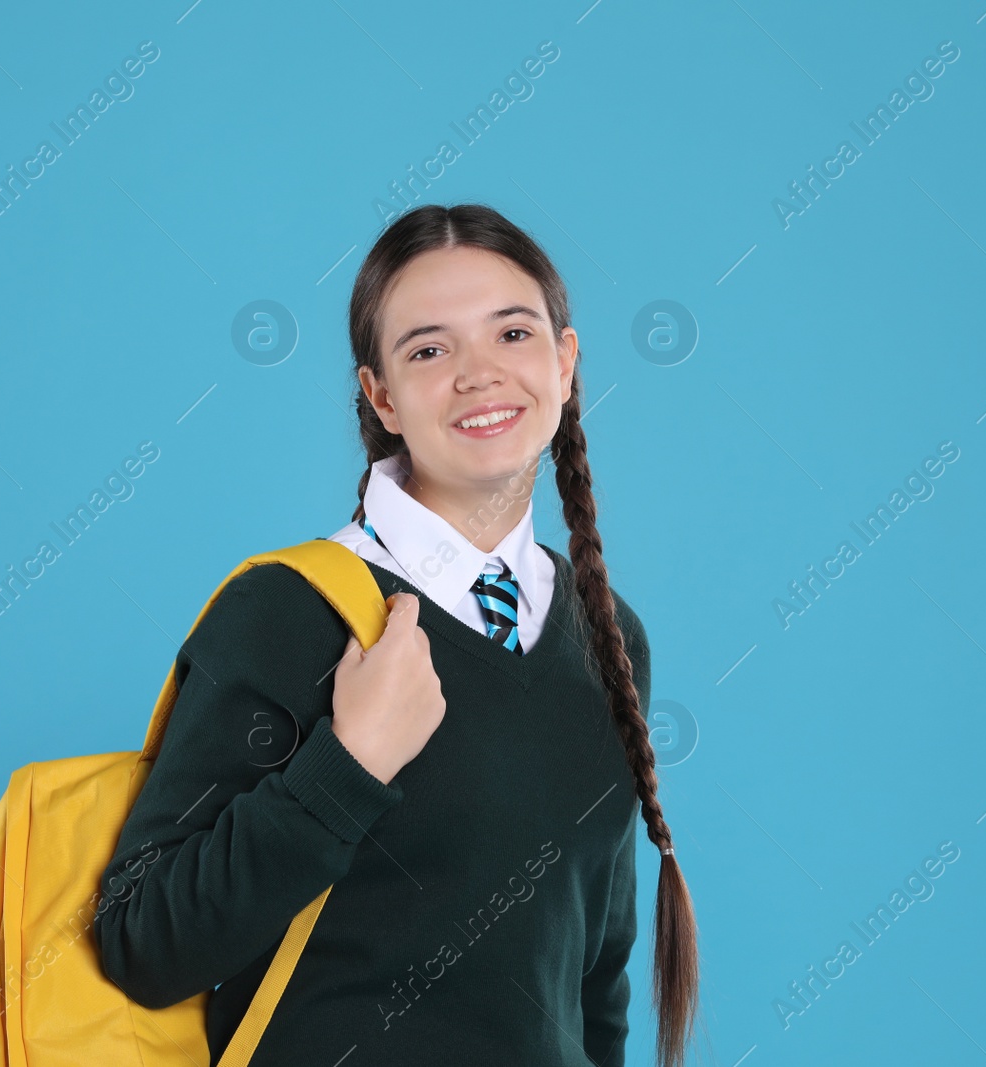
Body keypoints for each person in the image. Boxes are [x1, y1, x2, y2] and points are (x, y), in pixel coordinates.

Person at [94, 202, 699, 1066]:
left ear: (565, 363)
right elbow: (144, 941)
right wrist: (350, 762)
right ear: (380, 394)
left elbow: (591, 974)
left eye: (513, 334)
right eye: (428, 349)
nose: (479, 374)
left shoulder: (607, 636)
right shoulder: (291, 611)